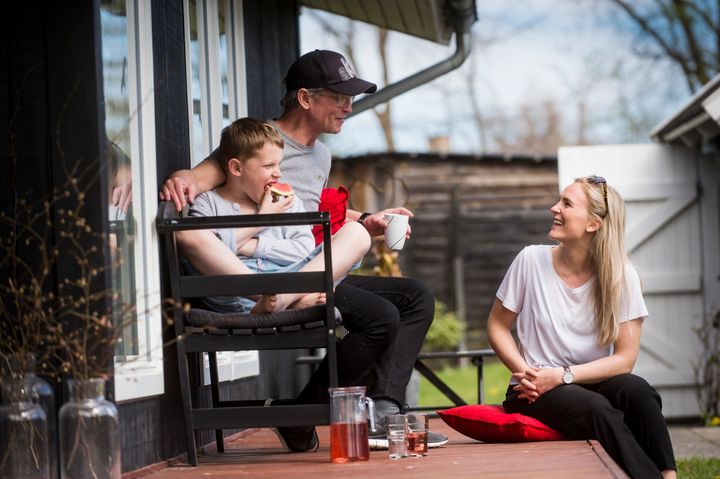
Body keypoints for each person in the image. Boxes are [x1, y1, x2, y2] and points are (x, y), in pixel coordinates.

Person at [161, 49, 446, 451]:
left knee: (416, 297)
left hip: (307, 261)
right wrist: (181, 178)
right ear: (306, 99)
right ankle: (312, 413)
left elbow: (310, 214)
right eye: (339, 97)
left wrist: (368, 219)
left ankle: (381, 406)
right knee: (380, 315)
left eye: (351, 98)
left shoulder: (320, 155)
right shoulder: (260, 140)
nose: (348, 107)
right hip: (262, 275)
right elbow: (203, 179)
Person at [487, 175, 676, 479]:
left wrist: (563, 376)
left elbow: (625, 359)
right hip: (534, 391)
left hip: (582, 380)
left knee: (639, 392)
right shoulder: (530, 260)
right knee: (597, 408)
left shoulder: (622, 276)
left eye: (566, 203)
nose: (554, 208)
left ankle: (669, 475)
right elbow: (497, 326)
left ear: (592, 224)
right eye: (558, 200)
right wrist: (527, 375)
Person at [186, 117, 370, 314]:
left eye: (279, 164)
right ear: (237, 168)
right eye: (268, 166)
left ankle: (285, 299)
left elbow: (303, 251)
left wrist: (246, 245)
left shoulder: (286, 200)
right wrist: (263, 218)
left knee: (358, 233)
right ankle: (287, 301)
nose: (278, 174)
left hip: (291, 281)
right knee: (188, 233)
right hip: (237, 293)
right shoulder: (207, 203)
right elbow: (206, 252)